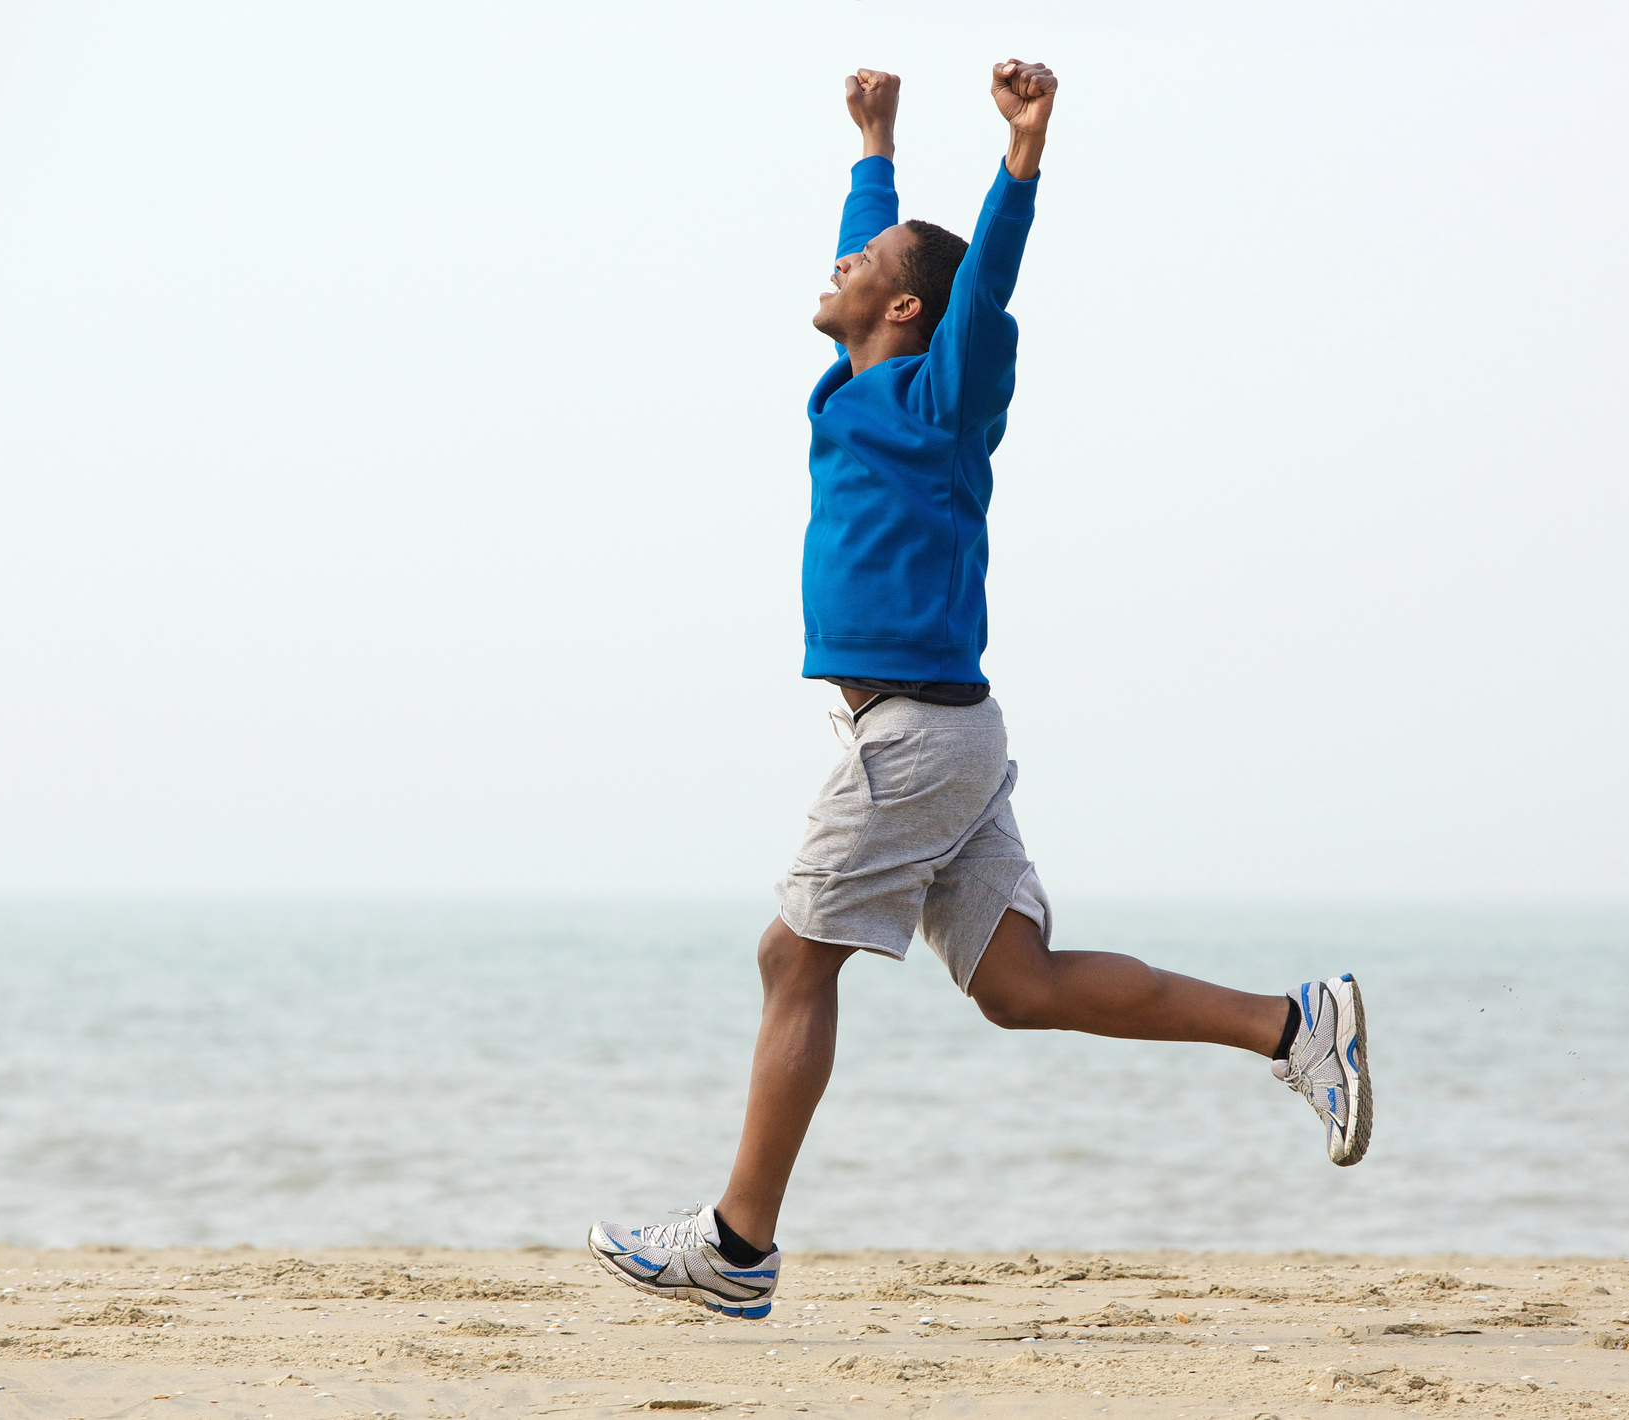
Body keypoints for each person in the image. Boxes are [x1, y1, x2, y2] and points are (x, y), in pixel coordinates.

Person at [587, 59, 1372, 1320]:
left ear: (900, 310)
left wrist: (1019, 158)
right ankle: (1294, 1027)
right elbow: (881, 257)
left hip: (913, 734)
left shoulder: (943, 397)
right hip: (946, 734)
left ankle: (737, 1248)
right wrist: (874, 145)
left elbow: (975, 284)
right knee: (1020, 987)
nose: (832, 268)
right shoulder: (852, 383)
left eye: (859, 266)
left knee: (793, 957)